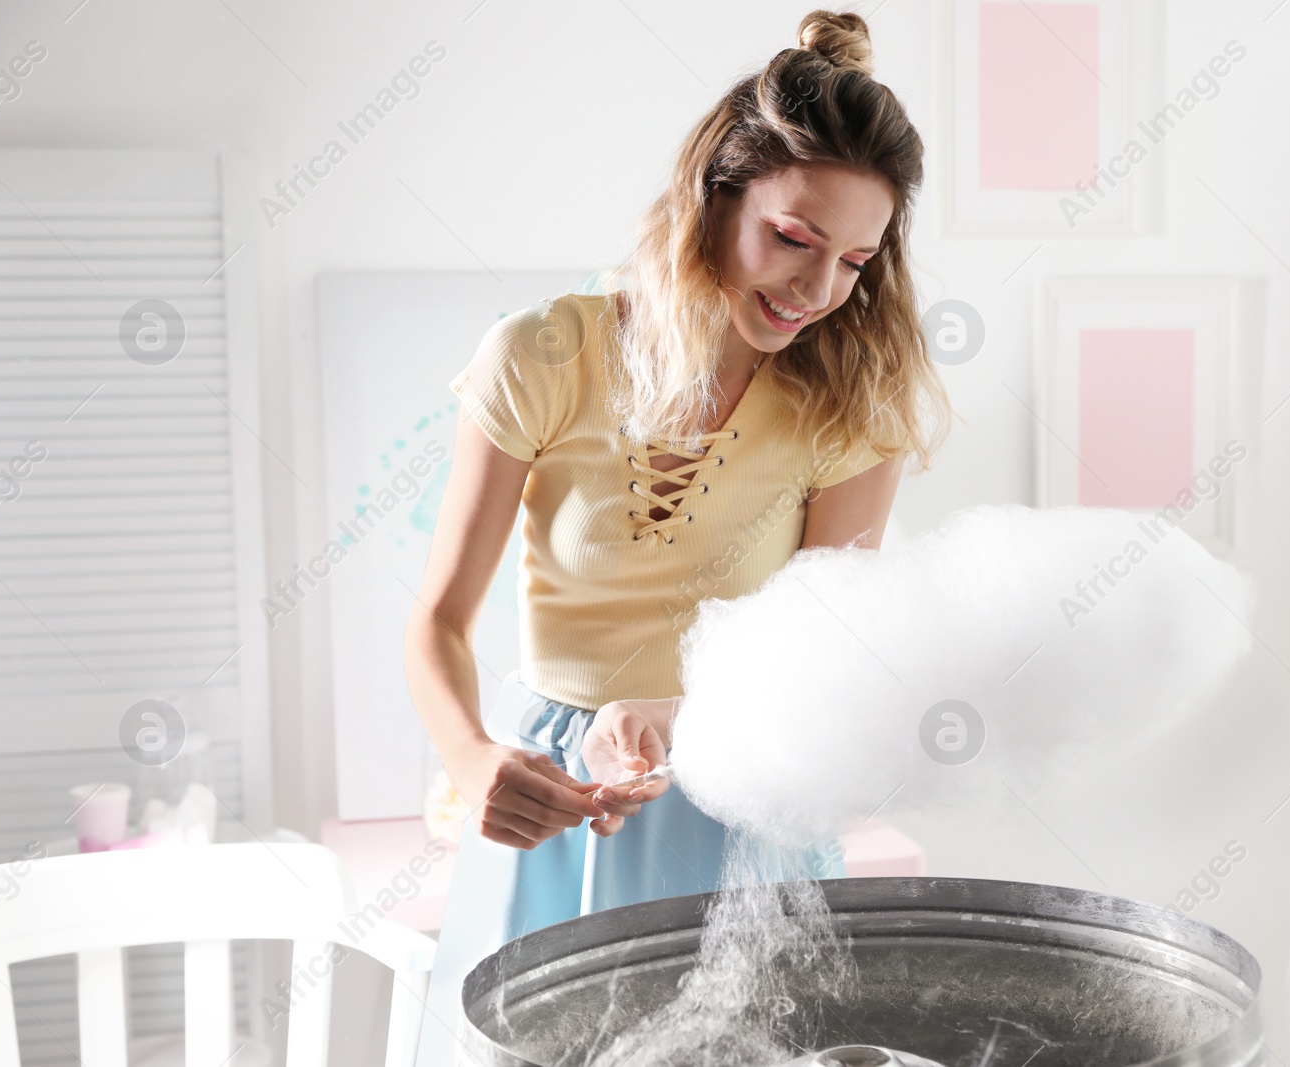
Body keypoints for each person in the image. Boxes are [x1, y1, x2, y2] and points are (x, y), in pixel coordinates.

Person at [404, 8, 951, 1053]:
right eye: (794, 239)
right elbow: (435, 620)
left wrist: (670, 712)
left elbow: (818, 651)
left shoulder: (853, 408)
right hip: (553, 795)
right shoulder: (541, 355)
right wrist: (473, 760)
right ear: (713, 193)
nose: (817, 291)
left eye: (853, 262)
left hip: (745, 785)